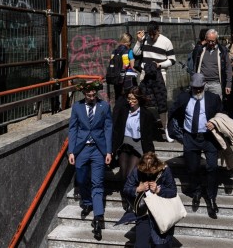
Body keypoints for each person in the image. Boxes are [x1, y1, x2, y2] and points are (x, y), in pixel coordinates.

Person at [168, 72, 223, 218]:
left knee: (212, 167)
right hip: (190, 137)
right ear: (191, 87)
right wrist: (176, 132)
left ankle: (211, 198)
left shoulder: (213, 99)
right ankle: (197, 191)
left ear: (204, 86)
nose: (197, 91)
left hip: (209, 138)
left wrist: (215, 123)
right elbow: (173, 112)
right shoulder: (183, 98)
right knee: (192, 168)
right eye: (195, 88)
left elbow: (222, 114)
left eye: (200, 88)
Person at [68, 84, 113, 240]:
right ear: (84, 94)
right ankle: (87, 201)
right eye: (89, 95)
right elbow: (73, 129)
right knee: (81, 179)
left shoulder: (104, 106)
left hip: (98, 150)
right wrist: (71, 151)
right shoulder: (77, 107)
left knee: (97, 183)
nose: (92, 98)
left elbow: (108, 128)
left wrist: (108, 151)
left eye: (94, 95)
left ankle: (98, 217)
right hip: (81, 149)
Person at [122, 152, 178, 247]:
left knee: (161, 244)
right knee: (141, 245)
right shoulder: (137, 171)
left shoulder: (165, 170)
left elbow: (173, 192)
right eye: (145, 172)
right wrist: (137, 189)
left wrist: (159, 190)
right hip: (144, 213)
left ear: (156, 166)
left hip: (162, 214)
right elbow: (126, 189)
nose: (147, 174)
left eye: (150, 171)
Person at [133, 21, 176, 142]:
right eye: (150, 34)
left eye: (154, 34)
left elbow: (172, 60)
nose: (152, 37)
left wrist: (160, 65)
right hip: (145, 73)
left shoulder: (166, 41)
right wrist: (139, 41)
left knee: (161, 102)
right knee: (143, 100)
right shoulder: (145, 39)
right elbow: (136, 53)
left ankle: (166, 130)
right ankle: (142, 129)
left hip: (160, 74)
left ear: (158, 31)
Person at [112, 87, 157, 198]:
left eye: (133, 99)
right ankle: (127, 195)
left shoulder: (146, 114)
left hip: (138, 146)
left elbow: (149, 135)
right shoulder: (123, 110)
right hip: (124, 144)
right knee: (123, 173)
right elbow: (117, 130)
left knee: (129, 173)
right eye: (129, 99)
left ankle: (130, 197)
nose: (130, 101)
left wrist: (150, 154)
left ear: (139, 99)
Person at [190, 29, 232, 100]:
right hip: (202, 84)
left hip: (216, 84)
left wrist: (228, 84)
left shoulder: (222, 50)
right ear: (205, 39)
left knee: (216, 105)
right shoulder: (201, 50)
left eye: (213, 41)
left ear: (217, 40)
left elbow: (228, 68)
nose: (210, 43)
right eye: (208, 41)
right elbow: (194, 60)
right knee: (201, 105)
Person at [108, 33, 136, 103]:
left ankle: (118, 112)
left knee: (118, 98)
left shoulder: (114, 52)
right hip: (128, 79)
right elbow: (133, 67)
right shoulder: (129, 51)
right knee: (130, 97)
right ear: (129, 42)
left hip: (116, 78)